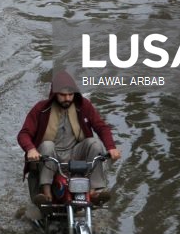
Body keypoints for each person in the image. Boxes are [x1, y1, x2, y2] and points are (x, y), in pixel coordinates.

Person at [17, 70, 121, 205]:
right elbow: (24, 133)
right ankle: (46, 194)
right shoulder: (41, 109)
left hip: (75, 156)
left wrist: (111, 147)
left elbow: (102, 127)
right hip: (48, 156)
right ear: (54, 94)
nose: (67, 98)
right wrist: (31, 149)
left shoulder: (84, 106)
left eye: (70, 95)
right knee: (47, 145)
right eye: (62, 95)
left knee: (94, 143)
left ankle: (93, 191)